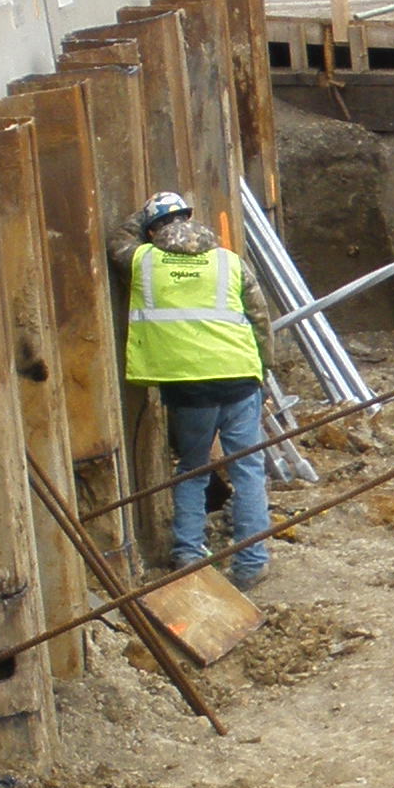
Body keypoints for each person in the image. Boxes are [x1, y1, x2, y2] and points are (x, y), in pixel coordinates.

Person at [114, 190, 274, 587]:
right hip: (238, 377)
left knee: (192, 469)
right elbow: (260, 317)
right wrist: (263, 369)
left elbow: (117, 240)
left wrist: (144, 215)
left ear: (152, 230)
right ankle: (252, 562)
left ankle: (188, 555)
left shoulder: (144, 260)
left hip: (187, 386)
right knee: (249, 470)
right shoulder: (228, 261)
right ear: (190, 219)